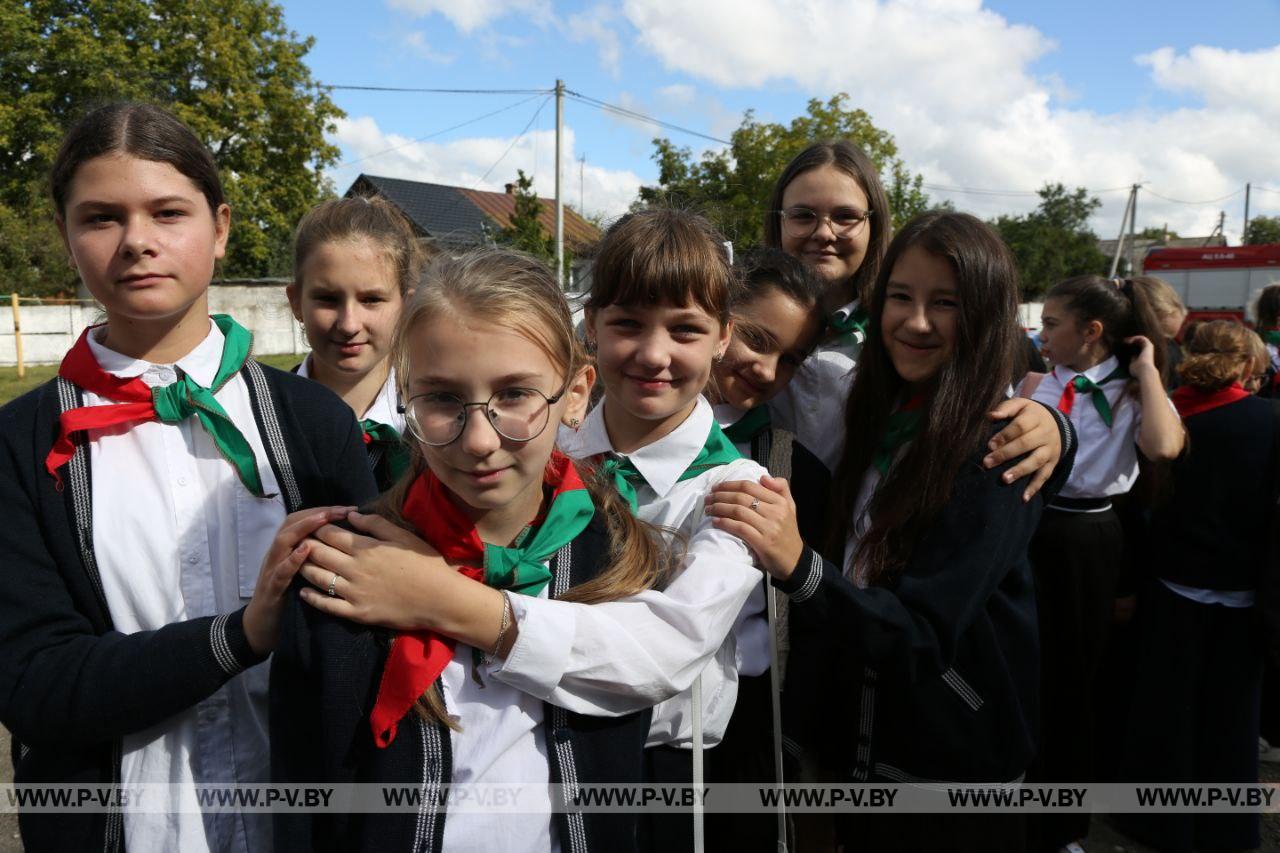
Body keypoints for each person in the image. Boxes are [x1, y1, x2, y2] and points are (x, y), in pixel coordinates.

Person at [0, 102, 375, 852]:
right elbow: (35, 684)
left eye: (168, 212)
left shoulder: (314, 424)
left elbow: (368, 651)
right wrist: (238, 635)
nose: (137, 241)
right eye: (101, 217)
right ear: (69, 237)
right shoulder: (20, 441)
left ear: (221, 226)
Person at [271, 248, 676, 852]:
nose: (480, 441)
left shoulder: (624, 558)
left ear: (575, 393)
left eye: (515, 394)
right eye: (441, 400)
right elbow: (306, 798)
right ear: (405, 394)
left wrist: (445, 600)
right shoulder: (344, 574)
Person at [707, 211, 1075, 851]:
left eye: (946, 303)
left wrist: (798, 566)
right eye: (900, 297)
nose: (917, 321)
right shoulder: (876, 417)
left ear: (986, 314)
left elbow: (922, 636)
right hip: (863, 746)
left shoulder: (997, 446)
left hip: (947, 770)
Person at [763, 140, 1063, 490]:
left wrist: (1054, 426)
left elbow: (987, 410)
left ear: (874, 225)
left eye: (845, 216)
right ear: (779, 222)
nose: (824, 233)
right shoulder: (738, 318)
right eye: (802, 216)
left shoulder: (905, 335)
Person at [1024, 274, 1185, 852]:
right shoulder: (1040, 382)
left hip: (1090, 535)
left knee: (1076, 684)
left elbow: (1164, 448)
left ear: (1091, 331)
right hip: (1032, 526)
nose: (1041, 335)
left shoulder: (1130, 390)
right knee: (1026, 672)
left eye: (1051, 324)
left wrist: (1145, 369)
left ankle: (1064, 826)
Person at [1120, 320, 1280, 853]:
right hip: (1243, 593)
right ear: (1252, 367)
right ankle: (1228, 831)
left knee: (1168, 714)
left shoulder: (1163, 413)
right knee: (1233, 726)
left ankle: (1161, 826)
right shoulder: (1270, 420)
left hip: (1170, 584)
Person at [287, 196, 426, 490]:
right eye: (327, 299)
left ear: (406, 305)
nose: (349, 324)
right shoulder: (260, 419)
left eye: (371, 299)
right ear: (296, 302)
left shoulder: (435, 424)